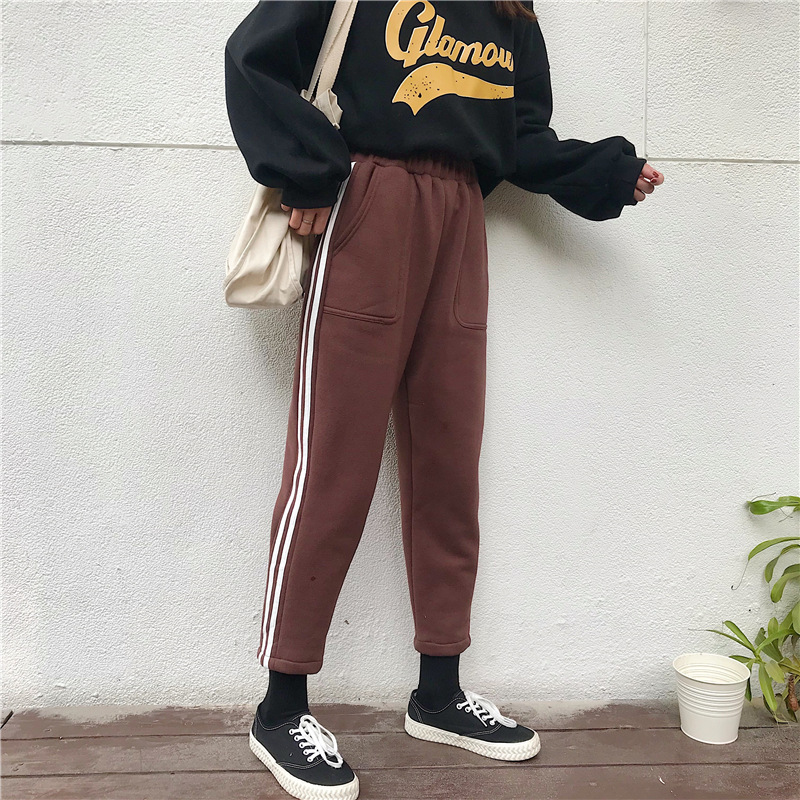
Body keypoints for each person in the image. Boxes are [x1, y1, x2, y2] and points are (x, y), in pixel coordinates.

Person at [224, 2, 663, 798]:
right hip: (367, 205)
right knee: (334, 464)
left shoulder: (509, 13)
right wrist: (308, 169)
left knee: (448, 465)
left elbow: (517, 135)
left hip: (461, 219)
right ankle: (281, 706)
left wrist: (602, 172)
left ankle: (439, 691)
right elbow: (255, 58)